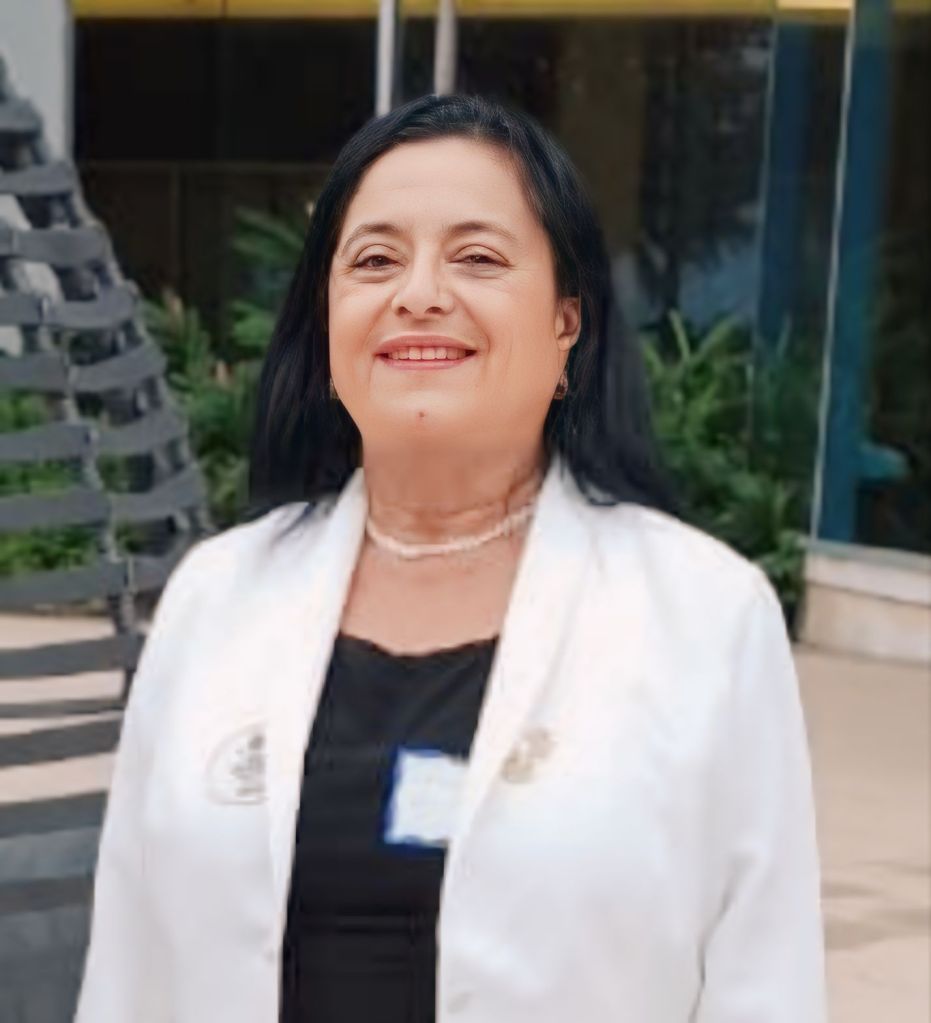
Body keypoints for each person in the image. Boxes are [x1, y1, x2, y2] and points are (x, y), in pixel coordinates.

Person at [74, 93, 827, 1023]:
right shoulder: (216, 596)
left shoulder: (706, 615)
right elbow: (129, 972)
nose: (419, 293)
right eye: (374, 260)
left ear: (566, 322)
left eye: (477, 258)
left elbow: (765, 983)